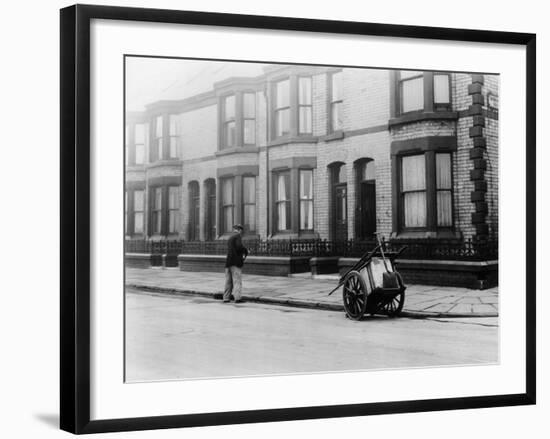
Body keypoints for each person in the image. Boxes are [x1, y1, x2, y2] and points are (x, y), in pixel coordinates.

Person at [223, 224, 249, 303]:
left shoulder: (230, 237)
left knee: (228, 282)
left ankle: (226, 298)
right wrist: (245, 250)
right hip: (235, 263)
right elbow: (238, 247)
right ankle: (237, 298)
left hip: (228, 263)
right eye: (241, 231)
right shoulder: (238, 236)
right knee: (237, 281)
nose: (241, 233)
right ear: (240, 230)